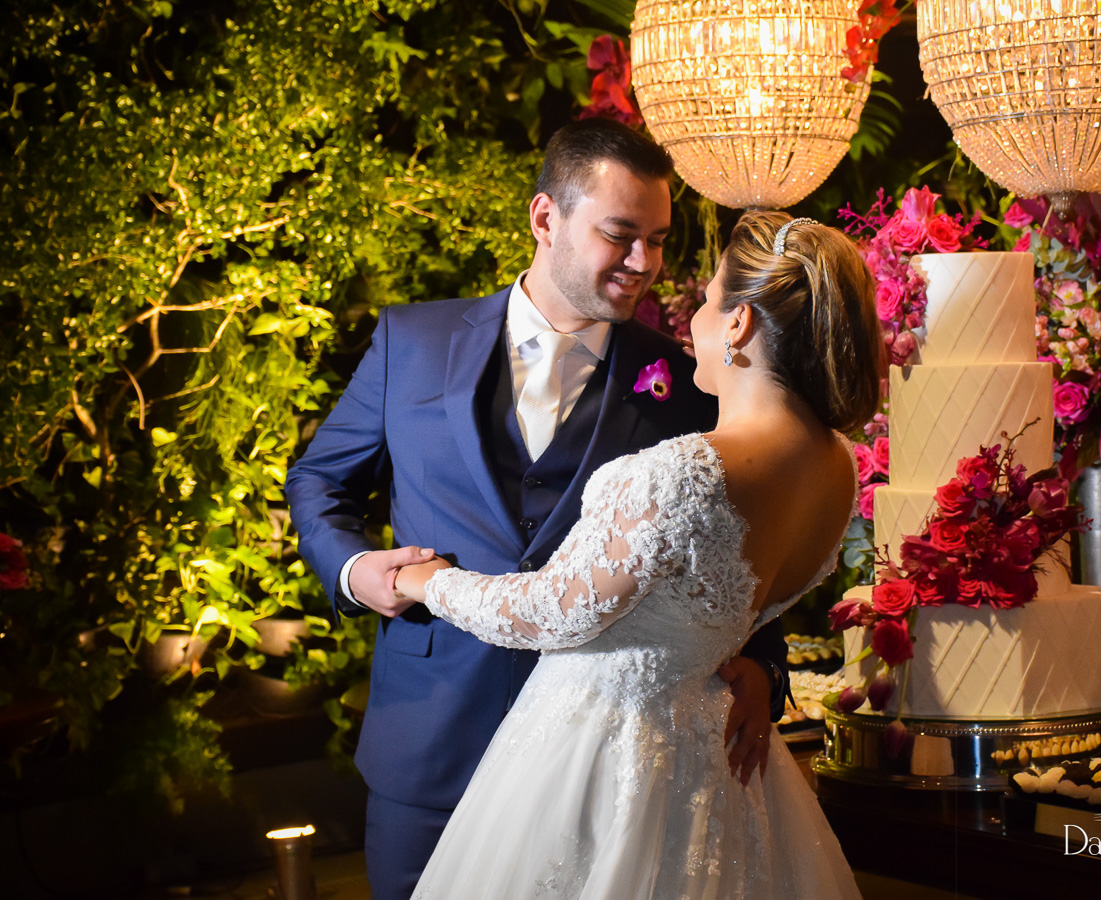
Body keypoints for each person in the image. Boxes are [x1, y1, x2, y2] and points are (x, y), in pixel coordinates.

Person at [284, 119, 789, 900]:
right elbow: (320, 480)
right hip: (431, 745)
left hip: (597, 762)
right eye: (620, 235)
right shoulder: (410, 341)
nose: (644, 263)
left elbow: (740, 534)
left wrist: (764, 661)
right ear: (545, 218)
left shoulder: (686, 384)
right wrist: (355, 570)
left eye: (657, 240)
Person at [393, 210, 886, 898]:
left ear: (739, 323)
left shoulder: (680, 473)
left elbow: (550, 612)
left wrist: (426, 581)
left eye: (708, 301)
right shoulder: (838, 467)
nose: (693, 324)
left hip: (605, 761)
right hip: (719, 765)